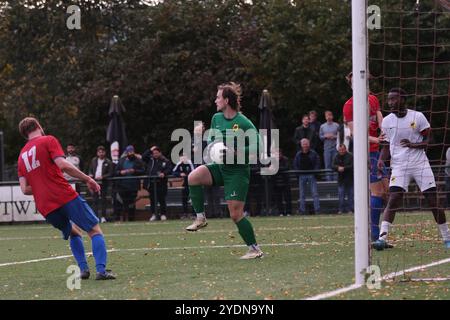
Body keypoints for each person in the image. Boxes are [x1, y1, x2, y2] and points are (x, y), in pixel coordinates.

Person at [17, 117, 115, 280]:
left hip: (45, 205)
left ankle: (83, 270)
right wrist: (88, 179)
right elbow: (63, 165)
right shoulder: (48, 140)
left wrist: (42, 186)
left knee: (73, 232)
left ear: (24, 134)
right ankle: (101, 271)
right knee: (94, 230)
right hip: (63, 195)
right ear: (39, 126)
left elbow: (25, 189)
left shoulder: (21, 156)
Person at [184, 82, 264, 259]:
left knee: (236, 215)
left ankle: (254, 249)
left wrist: (235, 152)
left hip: (237, 172)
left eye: (218, 97)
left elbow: (258, 146)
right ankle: (200, 218)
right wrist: (200, 137)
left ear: (227, 100)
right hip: (221, 167)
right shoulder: (216, 118)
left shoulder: (244, 122)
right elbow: (213, 143)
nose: (215, 100)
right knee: (193, 177)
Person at [373, 88, 450, 250]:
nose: (391, 102)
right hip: (399, 166)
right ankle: (382, 238)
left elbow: (431, 139)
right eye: (389, 100)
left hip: (420, 164)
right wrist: (381, 160)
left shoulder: (417, 117)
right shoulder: (387, 121)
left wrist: (413, 145)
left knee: (432, 201)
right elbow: (387, 145)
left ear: (403, 99)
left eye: (394, 99)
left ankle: (446, 237)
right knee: (394, 197)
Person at [343, 71, 388, 242]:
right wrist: (376, 138)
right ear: (351, 84)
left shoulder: (373, 98)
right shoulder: (349, 105)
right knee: (377, 192)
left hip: (378, 151)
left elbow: (379, 116)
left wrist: (385, 130)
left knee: (387, 192)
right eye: (355, 81)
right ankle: (375, 236)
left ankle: (376, 230)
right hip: (366, 153)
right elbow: (356, 134)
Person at [115, 145, 145, 221]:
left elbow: (143, 170)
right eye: (129, 152)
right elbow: (115, 171)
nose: (131, 153)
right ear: (126, 152)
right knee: (123, 203)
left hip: (133, 186)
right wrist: (121, 172)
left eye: (132, 151)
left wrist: (134, 171)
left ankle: (131, 218)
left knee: (131, 203)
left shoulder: (138, 160)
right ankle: (124, 219)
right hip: (122, 186)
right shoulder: (122, 160)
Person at [142, 146, 172, 221]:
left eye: (156, 153)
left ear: (160, 153)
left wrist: (164, 174)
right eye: (153, 153)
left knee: (162, 200)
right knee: (152, 200)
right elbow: (143, 156)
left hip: (161, 183)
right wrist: (150, 149)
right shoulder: (150, 160)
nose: (155, 154)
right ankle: (154, 214)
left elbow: (169, 169)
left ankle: (163, 214)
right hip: (151, 183)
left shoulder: (165, 161)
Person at [293, 138, 321, 215]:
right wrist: (298, 173)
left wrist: (315, 172)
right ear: (301, 145)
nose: (305, 145)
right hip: (302, 175)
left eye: (306, 144)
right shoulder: (298, 154)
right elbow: (295, 165)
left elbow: (317, 163)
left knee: (314, 193)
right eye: (304, 144)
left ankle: (317, 210)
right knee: (302, 194)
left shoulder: (314, 153)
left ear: (309, 144)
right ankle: (302, 210)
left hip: (311, 175)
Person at [88, 145, 114, 223]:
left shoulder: (108, 162)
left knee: (103, 200)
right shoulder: (93, 160)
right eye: (99, 152)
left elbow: (110, 173)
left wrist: (103, 177)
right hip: (94, 182)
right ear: (97, 153)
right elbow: (90, 170)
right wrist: (90, 175)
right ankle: (95, 217)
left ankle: (103, 217)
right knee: (95, 200)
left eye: (102, 152)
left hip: (103, 183)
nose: (101, 153)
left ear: (105, 153)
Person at [333, 144, 354, 214]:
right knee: (341, 196)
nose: (341, 151)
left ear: (345, 149)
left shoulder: (350, 156)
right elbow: (333, 166)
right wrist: (337, 168)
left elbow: (352, 166)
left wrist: (344, 168)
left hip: (349, 180)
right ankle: (341, 210)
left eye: (342, 150)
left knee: (350, 196)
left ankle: (350, 210)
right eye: (340, 150)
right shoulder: (336, 156)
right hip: (341, 180)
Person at [172, 154, 195, 219]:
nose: (183, 159)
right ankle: (185, 214)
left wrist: (187, 175)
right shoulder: (179, 164)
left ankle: (194, 214)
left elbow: (194, 171)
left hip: (192, 184)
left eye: (184, 158)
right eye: (181, 158)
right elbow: (173, 172)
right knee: (184, 199)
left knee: (193, 199)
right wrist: (179, 174)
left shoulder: (190, 163)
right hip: (185, 185)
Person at [319, 111, 339, 181]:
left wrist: (334, 136)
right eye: (327, 115)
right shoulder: (322, 126)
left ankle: (336, 181)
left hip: (335, 148)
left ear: (332, 116)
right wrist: (325, 136)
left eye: (330, 115)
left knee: (335, 165)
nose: (329, 117)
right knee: (327, 165)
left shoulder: (336, 125)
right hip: (326, 148)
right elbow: (320, 137)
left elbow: (340, 136)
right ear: (325, 117)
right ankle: (328, 182)